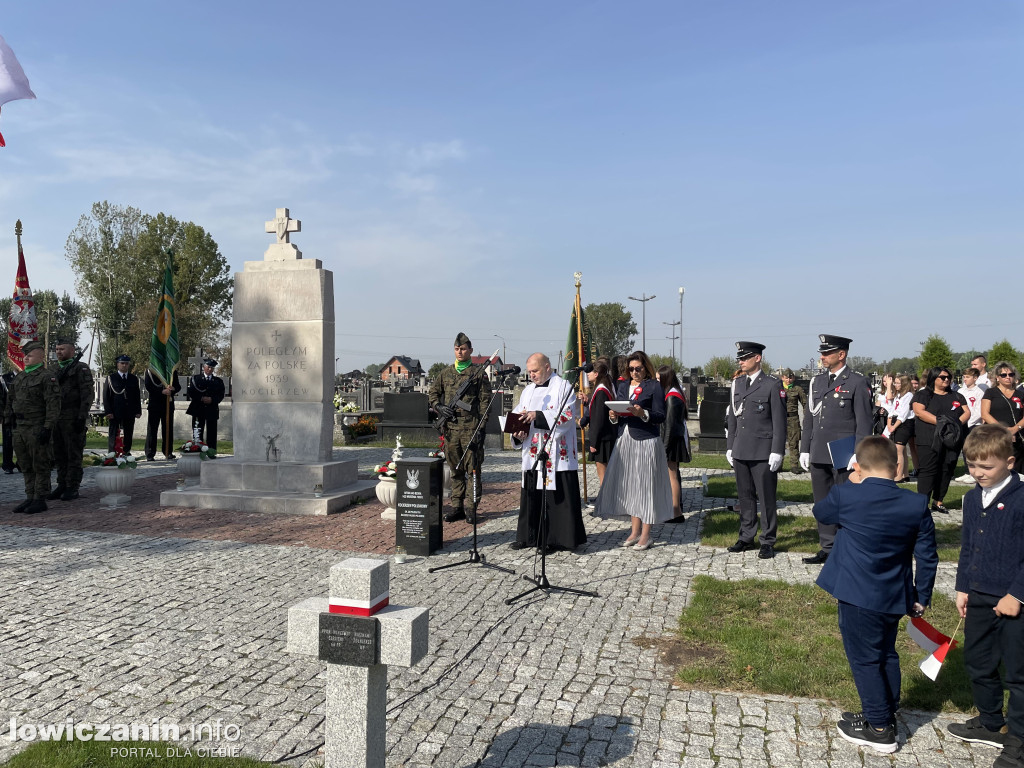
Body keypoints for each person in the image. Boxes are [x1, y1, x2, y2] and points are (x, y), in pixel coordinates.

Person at [813, 436, 937, 755]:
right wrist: (921, 595)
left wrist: (850, 480)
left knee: (865, 659)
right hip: (895, 593)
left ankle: (879, 728)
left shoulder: (846, 495)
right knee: (885, 652)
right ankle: (884, 710)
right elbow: (927, 556)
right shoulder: (915, 504)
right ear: (897, 468)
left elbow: (822, 512)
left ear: (857, 466)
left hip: (856, 593)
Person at [947, 425, 1024, 768]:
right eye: (971, 465)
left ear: (1009, 461)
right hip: (978, 594)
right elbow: (967, 547)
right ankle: (992, 721)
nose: (977, 473)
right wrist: (963, 585)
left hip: (1013, 602)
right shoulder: (971, 496)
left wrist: (1017, 594)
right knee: (978, 662)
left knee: (1018, 673)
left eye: (986, 467)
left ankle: (1019, 740)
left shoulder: (1022, 497)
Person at [799, 334, 873, 565]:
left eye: (827, 353)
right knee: (823, 503)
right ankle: (827, 546)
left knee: (845, 502)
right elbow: (810, 418)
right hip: (819, 449)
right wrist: (804, 448)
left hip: (844, 452)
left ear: (841, 355)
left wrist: (857, 452)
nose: (822, 357)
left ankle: (846, 547)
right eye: (821, 353)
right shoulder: (817, 382)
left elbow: (864, 422)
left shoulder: (857, 382)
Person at [593, 351, 673, 550]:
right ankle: (635, 531)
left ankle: (646, 534)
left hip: (646, 440)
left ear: (645, 368)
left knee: (646, 487)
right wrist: (613, 415)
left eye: (638, 368)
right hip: (625, 439)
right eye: (631, 369)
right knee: (631, 487)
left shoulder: (654, 386)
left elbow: (660, 415)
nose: (635, 372)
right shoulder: (622, 386)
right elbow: (618, 415)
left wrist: (642, 413)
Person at [509, 353, 587, 552]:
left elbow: (567, 416)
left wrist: (538, 415)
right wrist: (517, 433)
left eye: (535, 371)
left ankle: (556, 539)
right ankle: (528, 535)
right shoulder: (527, 391)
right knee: (531, 494)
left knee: (556, 496)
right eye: (530, 372)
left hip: (556, 452)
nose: (532, 375)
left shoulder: (563, 387)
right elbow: (519, 415)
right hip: (533, 451)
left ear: (547, 367)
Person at [725, 342, 787, 560]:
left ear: (758, 358)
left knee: (766, 497)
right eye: (739, 358)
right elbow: (733, 417)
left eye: (745, 357)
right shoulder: (737, 383)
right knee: (745, 496)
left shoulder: (772, 384)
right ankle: (746, 536)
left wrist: (777, 451)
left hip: (763, 449)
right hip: (741, 448)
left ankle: (768, 539)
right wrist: (730, 446)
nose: (741, 361)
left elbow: (780, 421)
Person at [427, 332, 493, 524]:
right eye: (457, 349)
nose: (459, 352)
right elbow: (433, 393)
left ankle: (471, 508)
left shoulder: (478, 373)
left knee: (473, 471)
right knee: (455, 470)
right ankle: (457, 507)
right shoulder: (445, 373)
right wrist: (439, 407)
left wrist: (481, 428)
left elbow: (485, 402)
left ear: (470, 350)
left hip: (471, 429)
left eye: (463, 349)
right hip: (450, 430)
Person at [4, 341, 61, 514]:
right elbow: (10, 400)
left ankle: (40, 498)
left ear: (40, 356)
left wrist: (47, 427)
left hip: (37, 426)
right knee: (25, 464)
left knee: (40, 464)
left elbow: (53, 405)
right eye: (25, 355)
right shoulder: (20, 377)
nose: (26, 358)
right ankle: (30, 496)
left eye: (29, 355)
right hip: (20, 427)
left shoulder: (46, 377)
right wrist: (7, 419)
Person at [912, 366, 969, 513]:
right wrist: (942, 423)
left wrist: (954, 424)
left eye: (948, 377)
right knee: (928, 471)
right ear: (933, 378)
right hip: (929, 439)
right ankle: (922, 503)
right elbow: (919, 412)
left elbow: (967, 412)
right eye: (942, 377)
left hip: (951, 440)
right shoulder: (924, 394)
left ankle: (938, 501)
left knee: (946, 470)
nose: (946, 380)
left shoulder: (957, 396)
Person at [48, 338, 93, 501]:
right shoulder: (53, 370)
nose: (59, 352)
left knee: (73, 453)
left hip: (72, 417)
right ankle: (61, 484)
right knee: (58, 454)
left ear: (72, 351)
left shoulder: (80, 368)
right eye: (57, 349)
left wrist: (81, 417)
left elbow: (87, 394)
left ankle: (72, 486)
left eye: (62, 349)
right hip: (56, 418)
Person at [658, 365, 690, 522]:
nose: (657, 382)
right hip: (673, 439)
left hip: (671, 441)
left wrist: (664, 449)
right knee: (672, 475)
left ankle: (676, 511)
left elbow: (669, 425)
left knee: (672, 476)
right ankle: (673, 509)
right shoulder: (675, 393)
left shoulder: (672, 397)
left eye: (659, 379)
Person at [580, 359, 617, 488]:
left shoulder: (601, 391)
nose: (587, 374)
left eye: (590, 371)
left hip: (602, 439)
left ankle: (605, 502)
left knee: (603, 474)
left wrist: (593, 442)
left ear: (596, 374)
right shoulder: (603, 388)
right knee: (605, 473)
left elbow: (598, 419)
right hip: (605, 437)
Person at [980, 361, 1024, 467]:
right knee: (997, 467)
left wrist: (1015, 429)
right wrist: (1003, 429)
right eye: (1003, 375)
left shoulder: (1021, 394)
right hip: (995, 436)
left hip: (1017, 438)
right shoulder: (990, 393)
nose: (1008, 377)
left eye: (1011, 374)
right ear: (997, 378)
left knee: (1016, 470)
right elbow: (985, 414)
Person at [103, 354, 142, 455]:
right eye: (122, 363)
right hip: (115, 410)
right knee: (113, 432)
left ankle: (126, 451)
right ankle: (112, 452)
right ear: (118, 364)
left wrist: (138, 411)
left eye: (126, 363)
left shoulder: (133, 379)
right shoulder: (111, 378)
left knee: (128, 432)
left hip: (129, 410)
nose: (124, 365)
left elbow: (137, 396)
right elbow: (106, 396)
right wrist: (108, 411)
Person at [186, 358, 226, 452]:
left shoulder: (218, 381)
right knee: (197, 432)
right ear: (204, 367)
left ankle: (211, 451)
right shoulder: (196, 379)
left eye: (212, 368)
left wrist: (212, 399)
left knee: (212, 433)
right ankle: (197, 450)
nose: (210, 369)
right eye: (208, 367)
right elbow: (191, 392)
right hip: (198, 409)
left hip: (211, 409)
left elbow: (221, 394)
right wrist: (201, 398)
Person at [144, 368, 181, 461]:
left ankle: (168, 451)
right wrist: (161, 392)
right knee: (152, 429)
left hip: (168, 404)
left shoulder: (172, 370)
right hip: (155, 404)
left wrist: (173, 389)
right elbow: (148, 386)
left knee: (168, 428)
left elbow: (178, 386)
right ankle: (150, 453)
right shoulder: (151, 371)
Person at [888, 374, 916, 483]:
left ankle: (898, 476)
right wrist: (889, 424)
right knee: (902, 450)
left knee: (898, 450)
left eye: (898, 383)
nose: (896, 385)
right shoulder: (898, 395)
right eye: (895, 382)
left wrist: (894, 426)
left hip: (904, 424)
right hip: (896, 422)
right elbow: (892, 410)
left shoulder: (908, 395)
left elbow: (903, 414)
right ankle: (905, 474)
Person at [781, 368, 807, 473]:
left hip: (793, 418)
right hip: (780, 418)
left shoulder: (798, 389)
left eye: (790, 377)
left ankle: (794, 465)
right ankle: (778, 465)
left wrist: (806, 417)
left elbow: (805, 403)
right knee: (779, 443)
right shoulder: (778, 389)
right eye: (786, 378)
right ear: (782, 378)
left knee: (794, 443)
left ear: (793, 378)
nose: (788, 380)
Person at [1, 371, 15, 472]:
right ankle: (7, 464)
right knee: (7, 441)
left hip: (24, 415)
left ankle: (22, 464)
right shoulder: (4, 378)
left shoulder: (27, 376)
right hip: (8, 415)